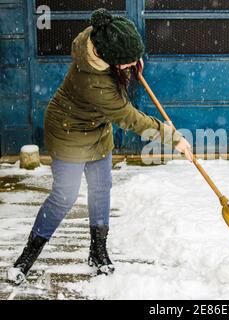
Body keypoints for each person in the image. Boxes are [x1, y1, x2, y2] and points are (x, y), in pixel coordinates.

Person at [7, 8, 192, 285]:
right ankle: (27, 257)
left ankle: (97, 250)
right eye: (126, 62)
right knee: (65, 197)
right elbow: (129, 117)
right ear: (107, 58)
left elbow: (121, 72)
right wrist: (174, 137)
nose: (133, 64)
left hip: (97, 128)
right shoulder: (95, 83)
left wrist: (130, 61)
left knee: (101, 187)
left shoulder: (99, 38)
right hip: (69, 132)